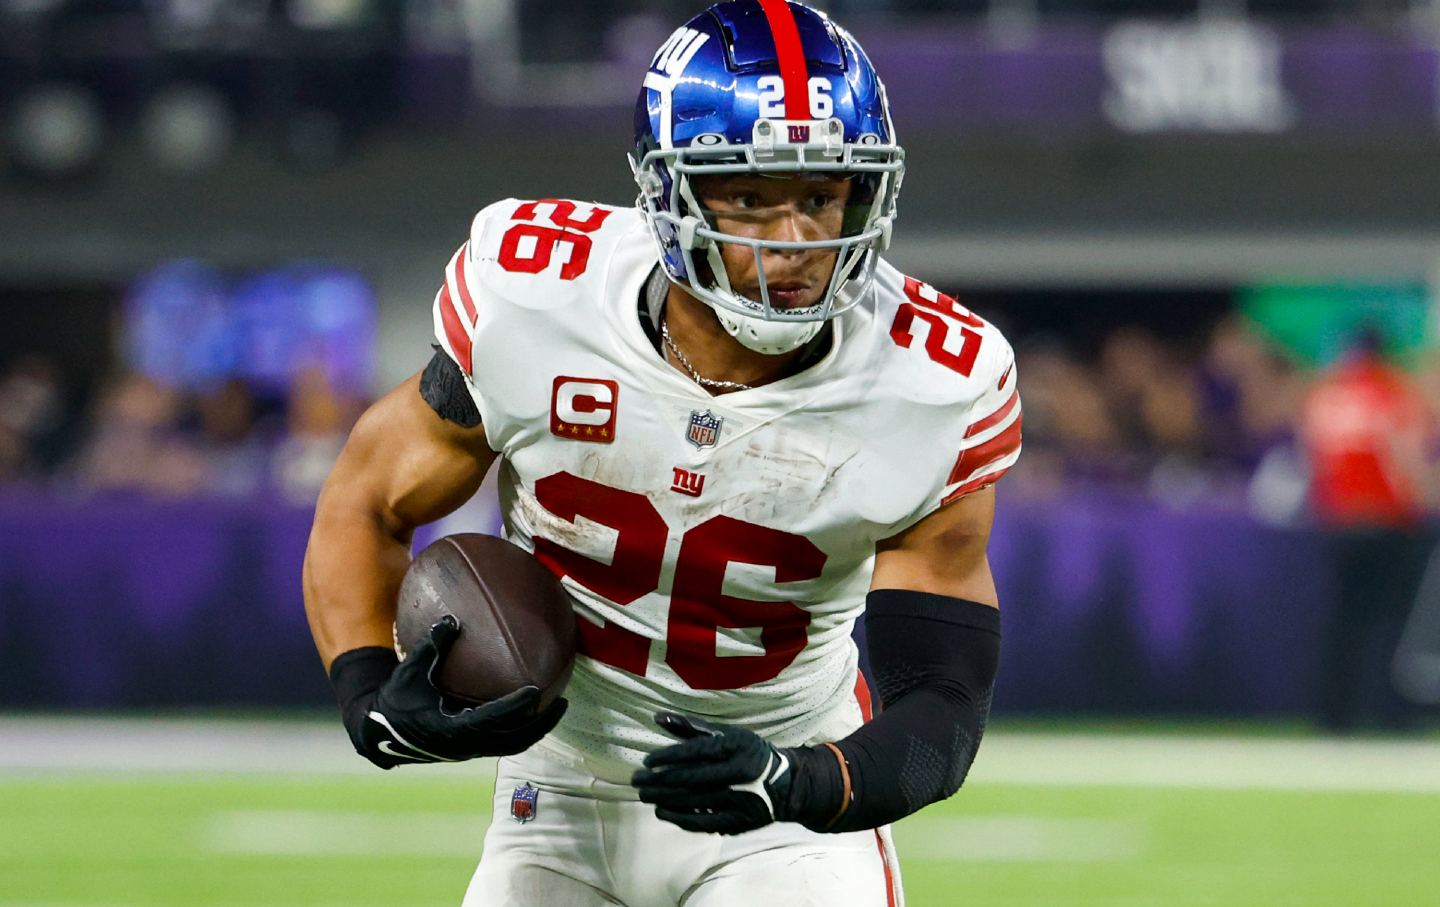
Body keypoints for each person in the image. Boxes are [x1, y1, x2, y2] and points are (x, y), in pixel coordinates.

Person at [302, 3, 1021, 905]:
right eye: (749, 198)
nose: (794, 241)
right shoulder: (536, 296)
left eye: (819, 195)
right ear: (669, 195)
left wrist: (797, 780)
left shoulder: (932, 382)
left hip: (777, 803)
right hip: (559, 785)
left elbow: (941, 711)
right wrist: (368, 689)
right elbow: (368, 498)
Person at [1300, 325, 1436, 732]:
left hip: (1341, 521)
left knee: (1345, 621)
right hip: (1387, 520)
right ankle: (1395, 714)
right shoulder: (1393, 391)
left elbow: (1314, 458)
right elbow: (1407, 460)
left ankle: (1336, 714)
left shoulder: (1326, 393)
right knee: (1394, 621)